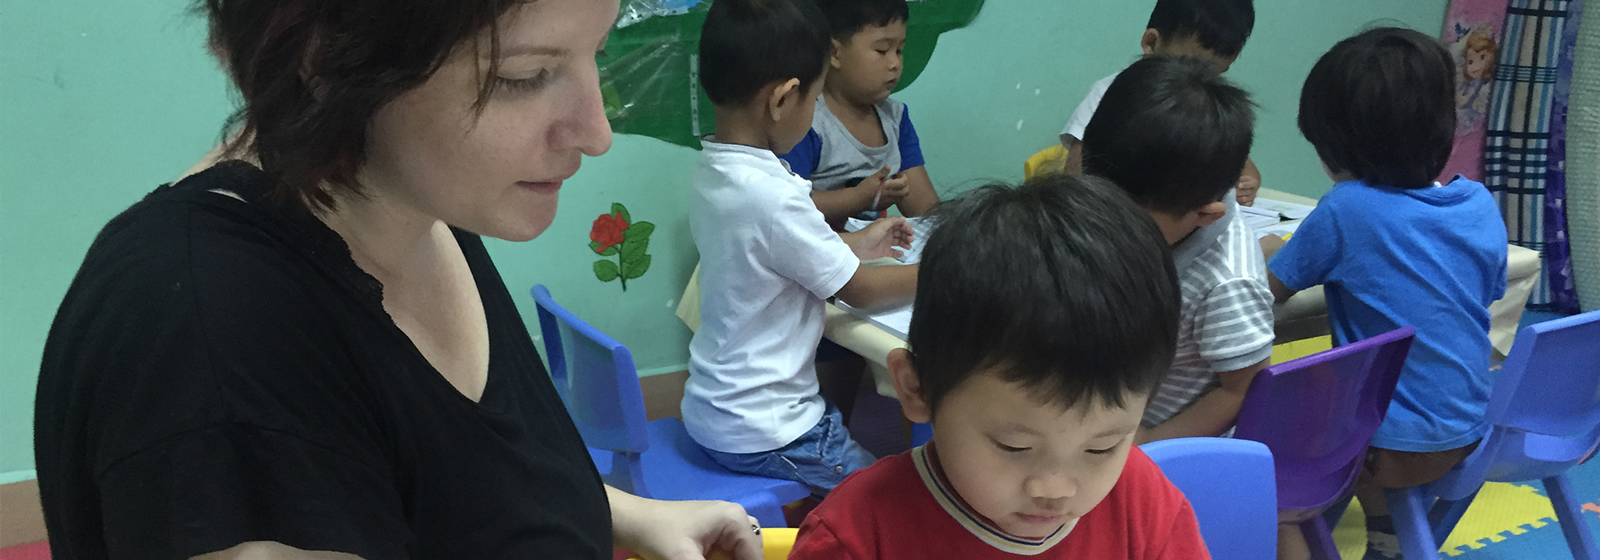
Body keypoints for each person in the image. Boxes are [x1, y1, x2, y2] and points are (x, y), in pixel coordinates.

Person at [32, 0, 767, 558]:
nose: (596, 131)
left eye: (594, 54)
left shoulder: (411, 200)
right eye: (523, 76)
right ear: (328, 58)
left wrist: (626, 514)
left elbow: (455, 486)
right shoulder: (216, 347)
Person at [789, 174, 1209, 559]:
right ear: (917, 388)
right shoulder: (857, 536)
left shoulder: (1144, 505)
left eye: (1102, 448)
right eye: (1015, 447)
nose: (1055, 490)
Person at [1263, 28, 1507, 560]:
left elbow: (1268, 291)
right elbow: (1484, 291)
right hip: (1471, 430)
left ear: (1337, 149)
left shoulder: (1346, 208)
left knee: (1267, 446)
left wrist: (1268, 248)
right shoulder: (1478, 203)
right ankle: (1386, 536)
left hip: (1390, 448)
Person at [684, 0, 918, 498]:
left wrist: (855, 242)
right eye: (814, 100)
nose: (813, 115)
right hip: (769, 429)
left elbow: (770, 255)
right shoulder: (771, 196)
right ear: (783, 99)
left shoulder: (716, 171)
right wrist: (947, 266)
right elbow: (860, 291)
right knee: (889, 501)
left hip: (718, 408)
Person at [1080, 56, 1275, 446]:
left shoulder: (1226, 284)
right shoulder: (1161, 214)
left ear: (1205, 214)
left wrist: (1151, 443)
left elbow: (1241, 389)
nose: (1106, 223)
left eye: (1128, 219)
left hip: (1157, 445)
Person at [1058, 0, 1262, 207]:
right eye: (1189, 66)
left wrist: (1248, 179)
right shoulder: (1109, 93)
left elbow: (1235, 158)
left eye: (1213, 74)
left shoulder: (1205, 102)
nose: (1198, 82)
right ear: (1152, 43)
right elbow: (1076, 178)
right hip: (1115, 214)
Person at [779, 0, 938, 226]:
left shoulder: (895, 118)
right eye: (882, 50)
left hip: (875, 245)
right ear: (834, 53)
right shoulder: (807, 122)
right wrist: (856, 199)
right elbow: (786, 206)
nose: (895, 63)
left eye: (899, 50)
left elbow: (925, 212)